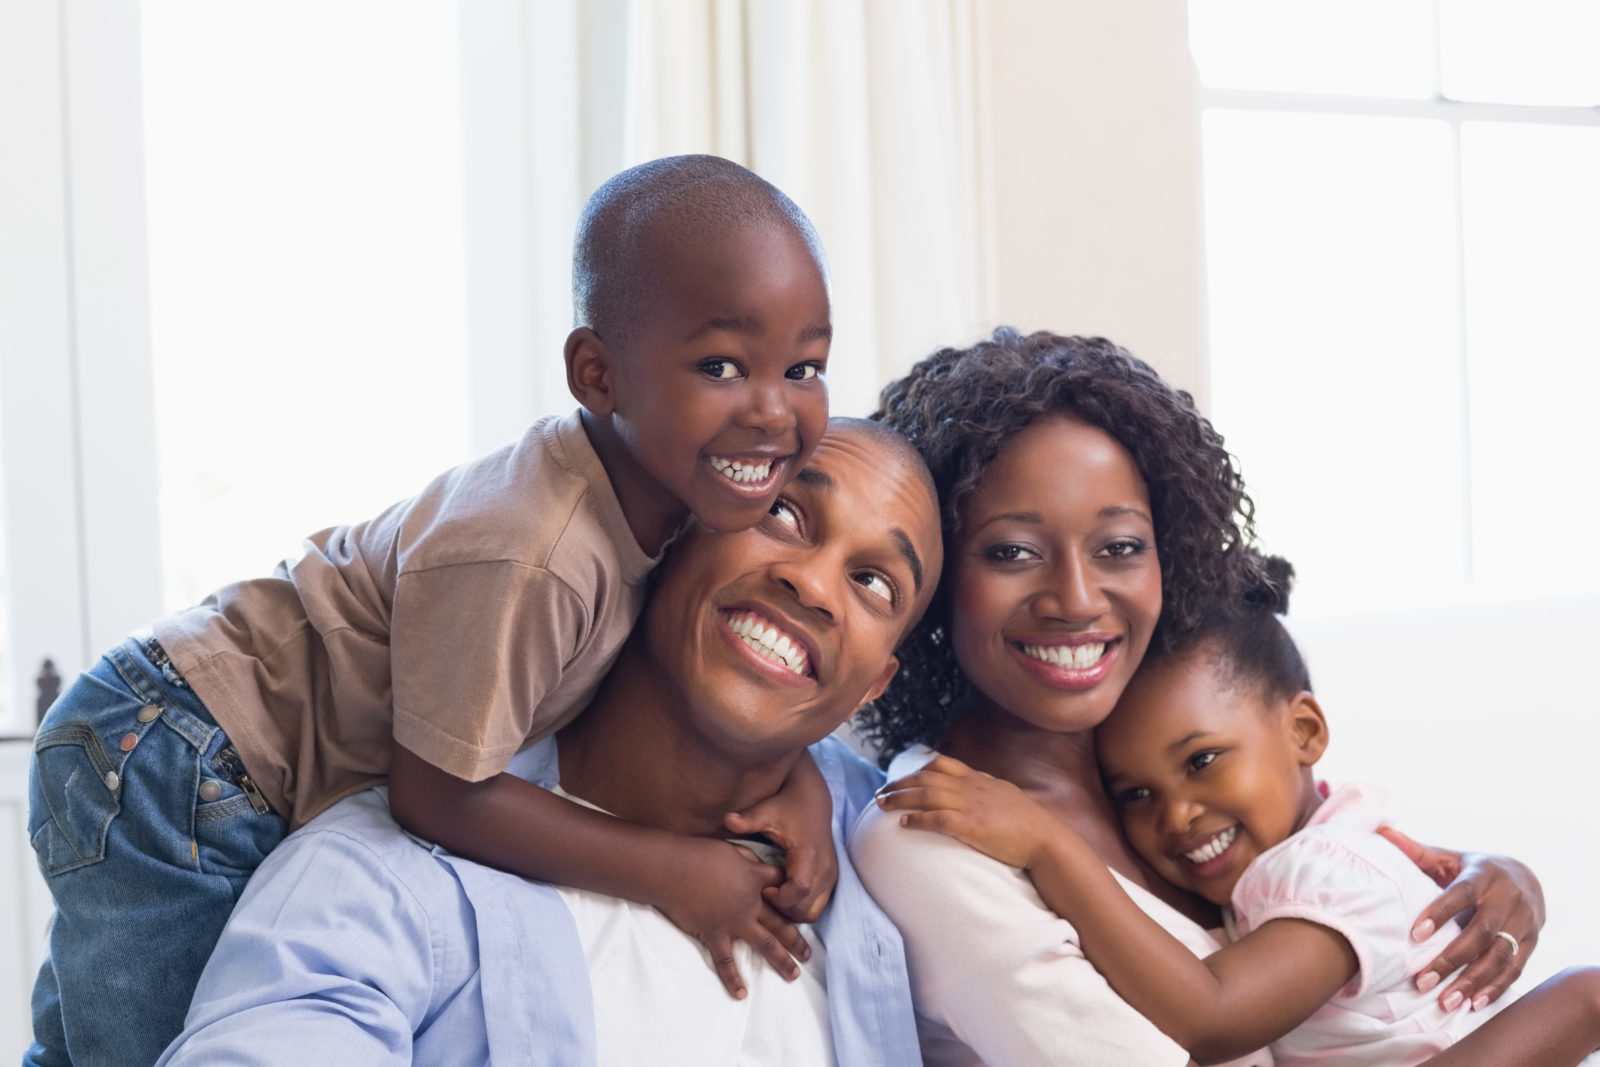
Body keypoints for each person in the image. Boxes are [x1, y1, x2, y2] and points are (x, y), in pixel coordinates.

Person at [27, 154, 840, 1067]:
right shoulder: (541, 551)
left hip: (185, 748)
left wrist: (799, 779)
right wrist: (675, 871)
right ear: (598, 376)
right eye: (722, 365)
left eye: (806, 366)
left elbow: (670, 695)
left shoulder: (676, 494)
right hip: (181, 755)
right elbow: (441, 796)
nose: (775, 410)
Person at [849, 328, 1546, 1066]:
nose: (1077, 600)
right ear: (935, 574)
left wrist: (1484, 878)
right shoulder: (928, 831)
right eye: (1012, 552)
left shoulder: (1146, 753)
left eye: (1119, 546)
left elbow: (1337, 863)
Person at [154, 417, 943, 1065]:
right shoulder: (380, 886)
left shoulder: (895, 857)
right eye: (784, 513)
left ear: (876, 683)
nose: (811, 582)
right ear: (674, 531)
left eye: (875, 582)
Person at [880, 553, 1600, 1065]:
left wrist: (1048, 846)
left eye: (1201, 761)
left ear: (1306, 731)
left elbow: (1211, 1016)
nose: (1178, 813)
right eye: (1135, 793)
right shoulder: (1309, 854)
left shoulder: (1327, 868)